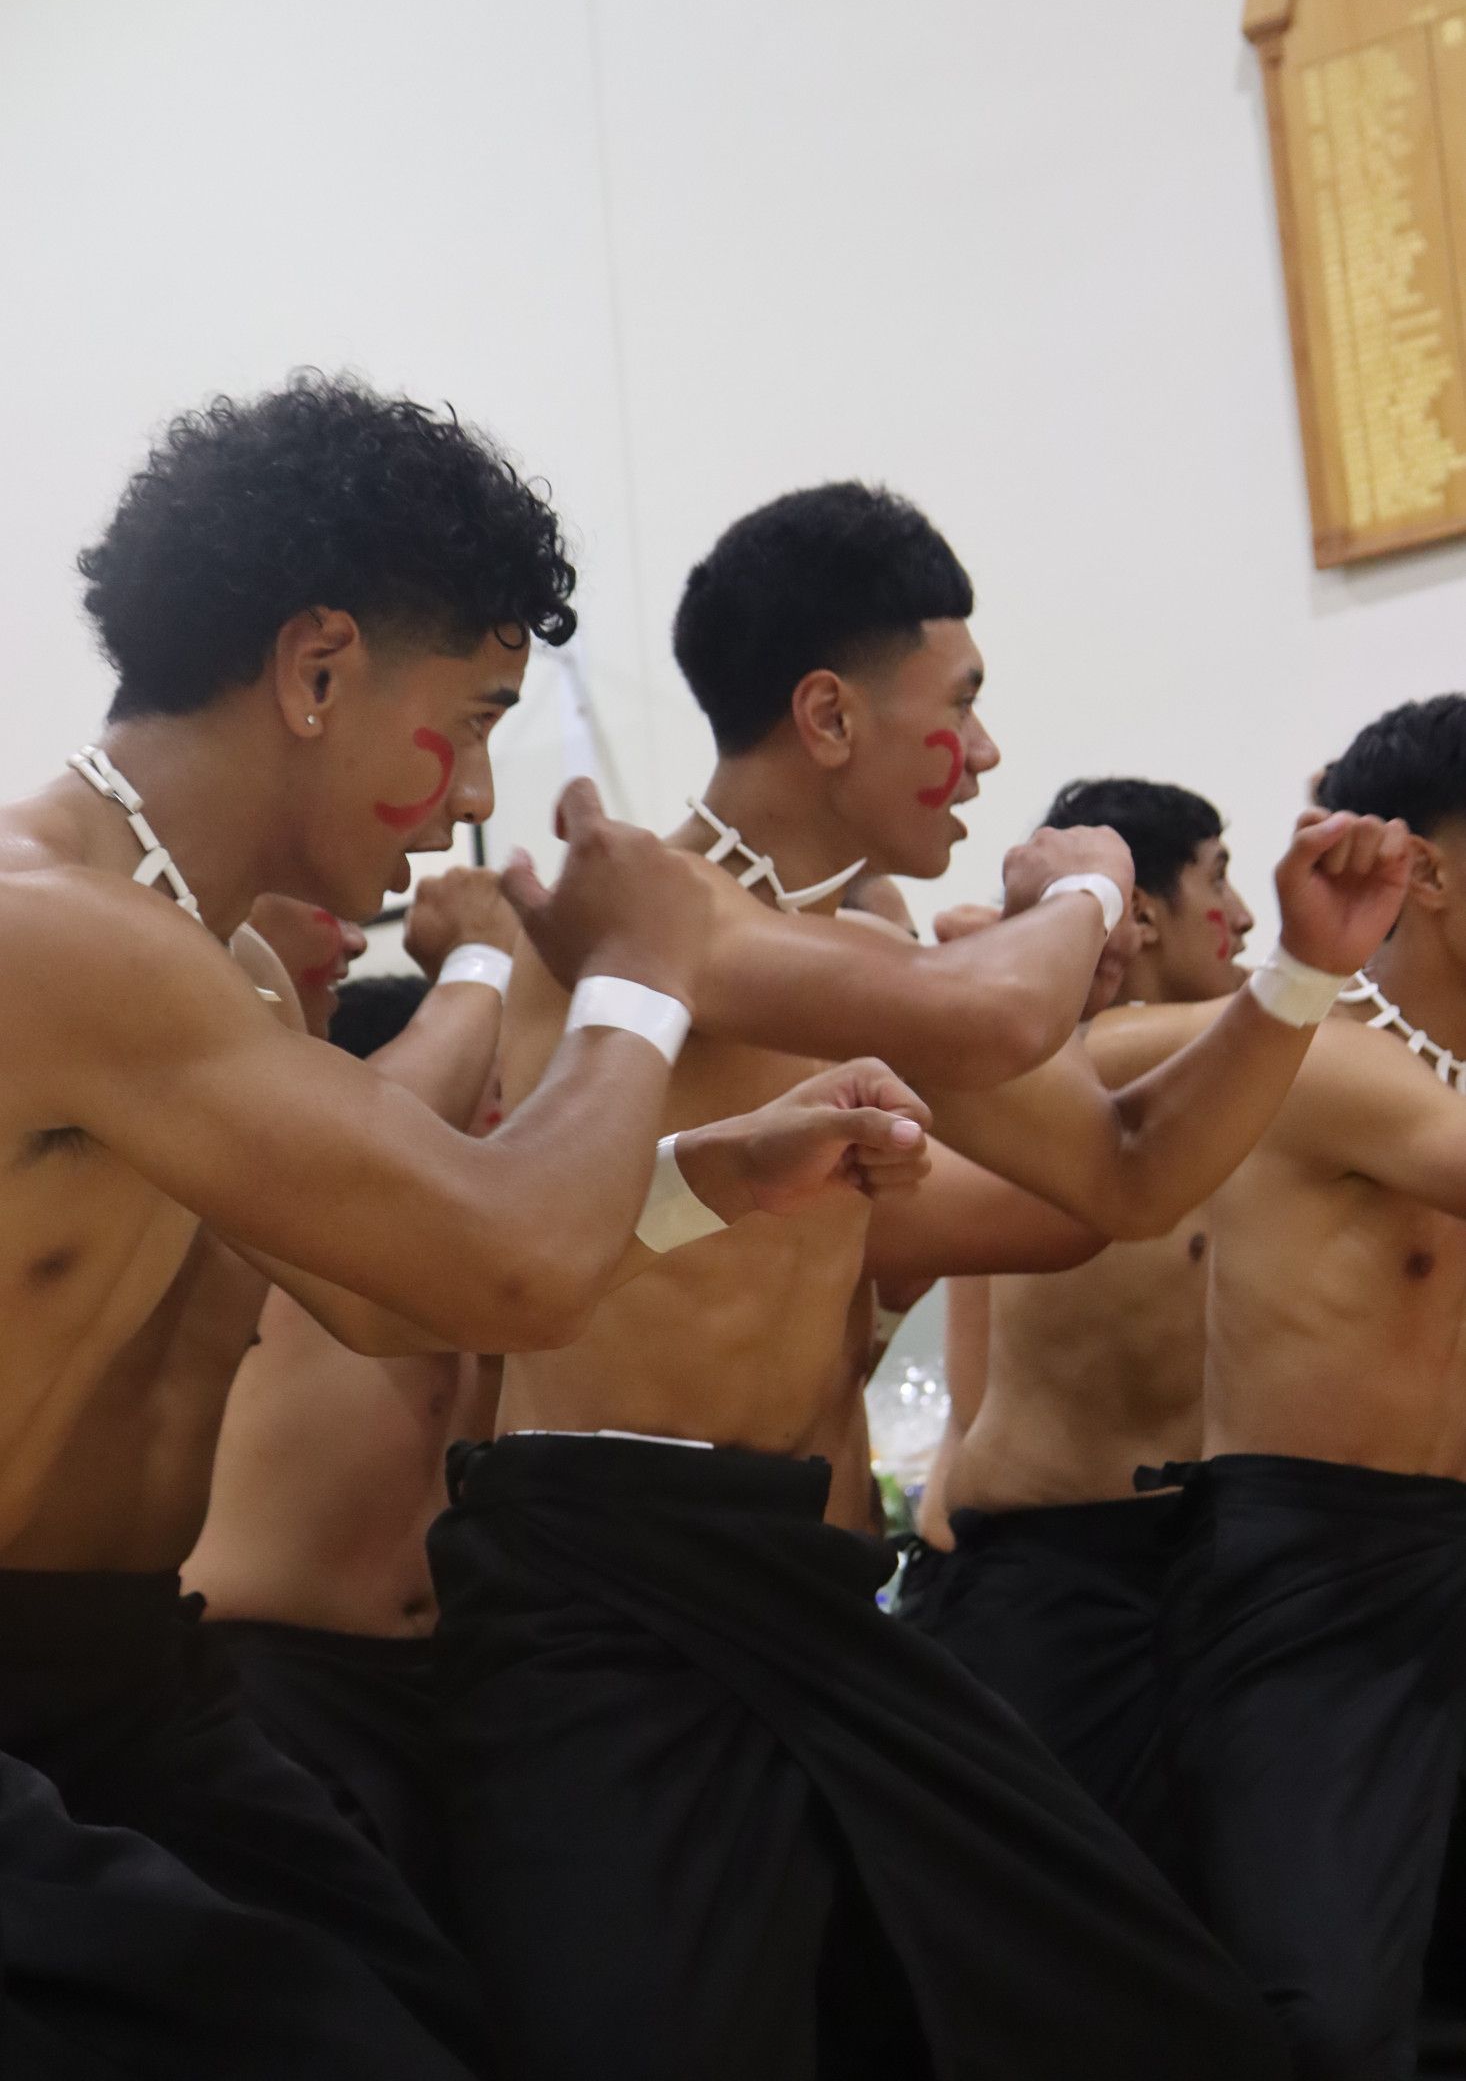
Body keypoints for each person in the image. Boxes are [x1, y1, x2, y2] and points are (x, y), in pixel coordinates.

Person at [0, 383, 930, 2077]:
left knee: (419, 2024)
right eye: (474, 717)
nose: (479, 794)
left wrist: (710, 1178)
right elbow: (510, 1257)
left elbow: (389, 1295)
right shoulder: (55, 934)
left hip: (124, 1677)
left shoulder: (206, 965)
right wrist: (643, 969)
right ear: (317, 671)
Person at [452, 483, 1407, 2078]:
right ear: (828, 716)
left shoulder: (852, 950)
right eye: (956, 704)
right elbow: (993, 1020)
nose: (980, 750)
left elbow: (1114, 1177)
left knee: (1130, 2016)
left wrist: (1301, 975)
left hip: (820, 1595)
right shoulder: (658, 914)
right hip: (613, 1594)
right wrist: (1087, 886)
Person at [1082, 696, 1466, 2081]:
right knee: (1322, 2017)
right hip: (1314, 1572)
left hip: (1444, 1555)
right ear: (1427, 872)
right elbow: (1072, 1060)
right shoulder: (1314, 1054)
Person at [897, 777, 1254, 1830]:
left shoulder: (1224, 1075)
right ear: (1140, 912)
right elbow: (970, 1373)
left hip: (1193, 1555)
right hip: (1046, 1571)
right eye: (1219, 880)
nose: (1243, 917)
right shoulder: (1043, 1074)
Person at [188, 888, 510, 1928]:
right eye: (482, 1090)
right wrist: (482, 958)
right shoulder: (286, 1227)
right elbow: (383, 1130)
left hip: (438, 1689)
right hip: (276, 1678)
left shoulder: (496, 1269)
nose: (501, 1117)